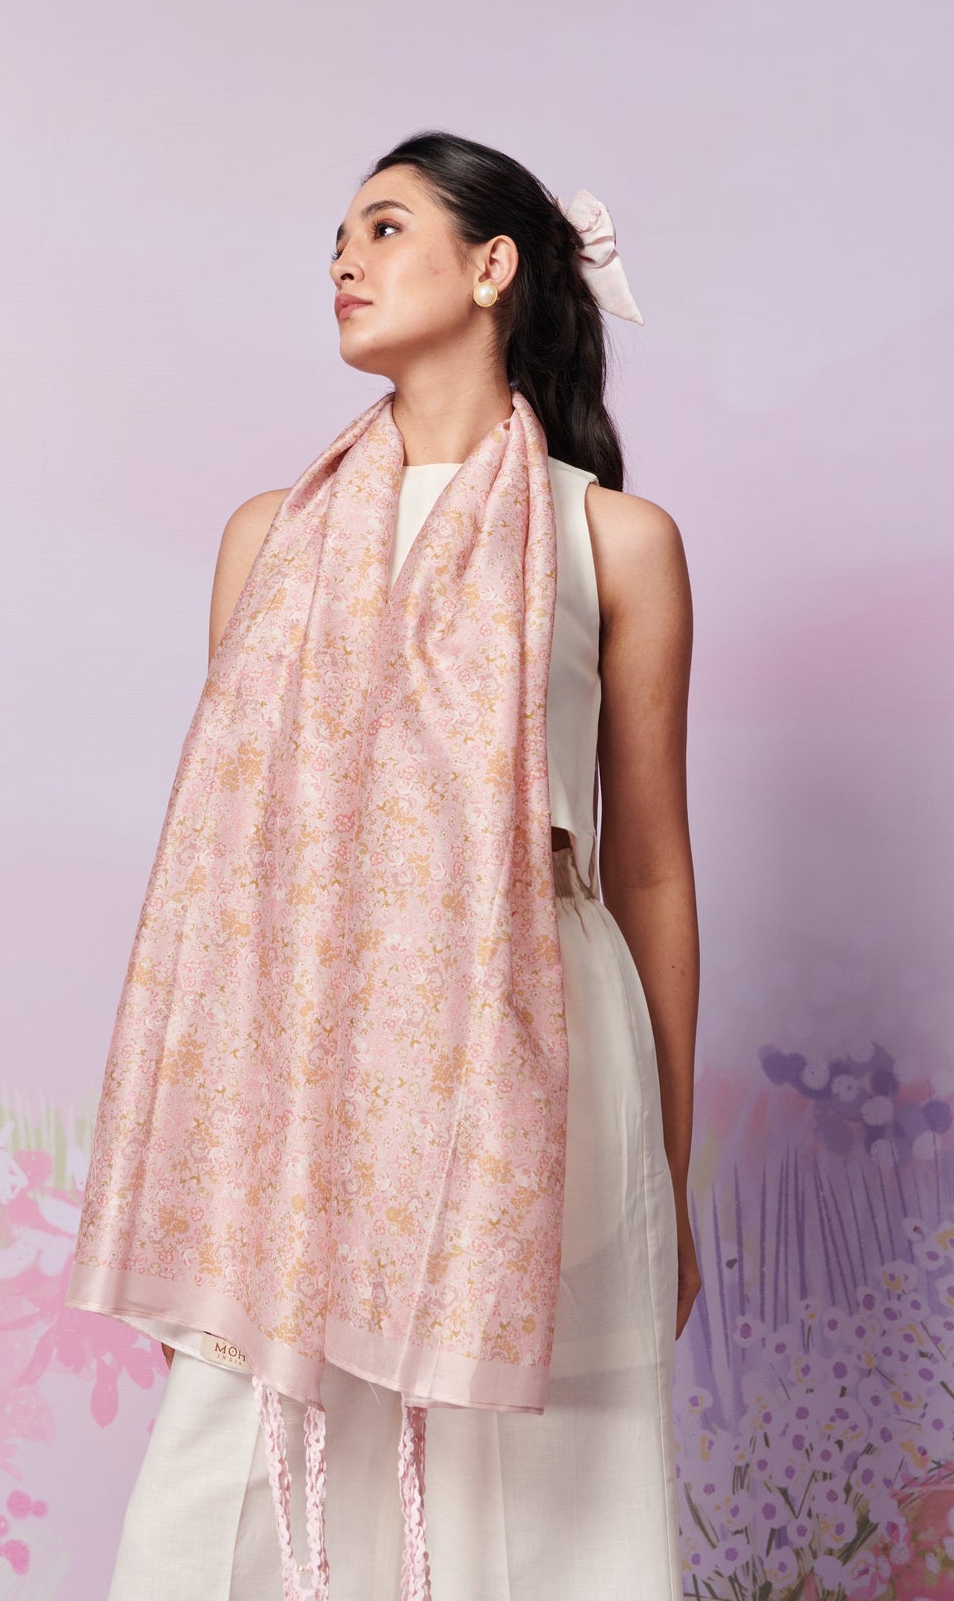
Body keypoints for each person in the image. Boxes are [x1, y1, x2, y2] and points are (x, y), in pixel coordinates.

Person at [67, 129, 702, 1600]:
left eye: (385, 228)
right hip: (304, 1060)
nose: (345, 263)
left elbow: (653, 874)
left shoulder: (616, 543)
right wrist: (197, 1159)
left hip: (537, 1052)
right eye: (337, 244)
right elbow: (230, 875)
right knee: (221, 1495)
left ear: (493, 267)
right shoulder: (271, 538)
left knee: (541, 1498)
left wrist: (670, 1177)